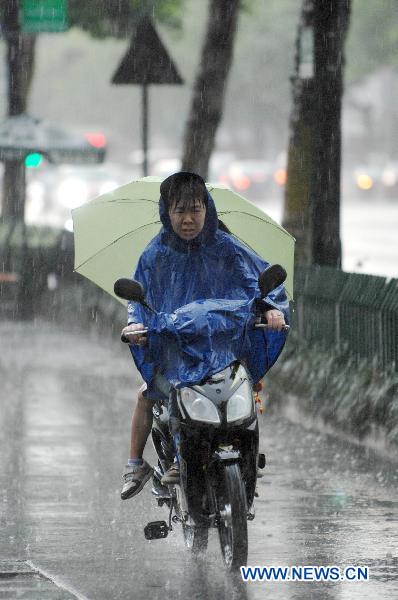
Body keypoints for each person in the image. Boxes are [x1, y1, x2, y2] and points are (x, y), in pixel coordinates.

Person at [120, 171, 288, 500]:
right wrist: (135, 327)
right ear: (166, 213)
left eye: (195, 209)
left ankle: (247, 458)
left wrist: (270, 310)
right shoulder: (154, 257)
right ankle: (135, 464)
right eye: (180, 211)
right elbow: (137, 304)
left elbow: (256, 285)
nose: (188, 219)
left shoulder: (228, 249)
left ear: (207, 209)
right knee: (146, 395)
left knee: (248, 394)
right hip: (175, 351)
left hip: (224, 349)